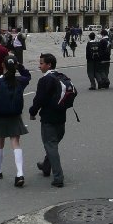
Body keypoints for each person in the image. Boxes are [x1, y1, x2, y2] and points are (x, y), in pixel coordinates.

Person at [0, 56, 32, 187]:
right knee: (15, 142)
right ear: (15, 65)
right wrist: (20, 66)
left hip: (0, 116)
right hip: (15, 116)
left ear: (2, 65)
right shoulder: (20, 81)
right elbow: (28, 76)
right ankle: (20, 173)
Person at [29, 53, 69, 188]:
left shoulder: (45, 80)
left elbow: (39, 99)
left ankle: (58, 177)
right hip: (61, 116)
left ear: (49, 64)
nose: (39, 66)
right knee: (52, 144)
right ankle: (46, 166)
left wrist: (32, 112)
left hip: (48, 118)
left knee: (50, 145)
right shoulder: (61, 76)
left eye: (41, 63)